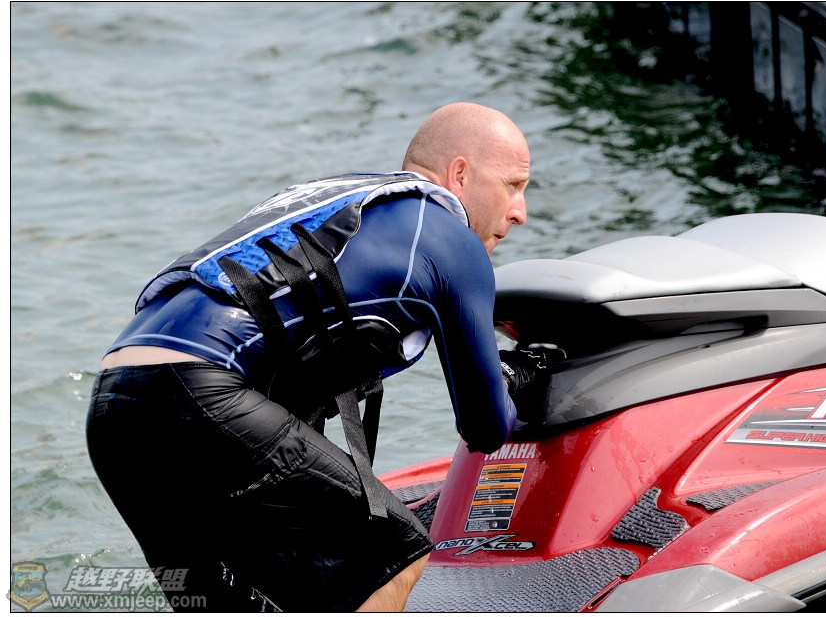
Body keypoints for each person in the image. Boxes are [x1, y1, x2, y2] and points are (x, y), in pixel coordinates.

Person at [85, 102, 541, 612]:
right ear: (459, 174)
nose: (519, 212)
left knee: (229, 601)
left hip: (114, 406)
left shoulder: (338, 197)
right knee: (390, 556)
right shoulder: (448, 237)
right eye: (512, 185)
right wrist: (518, 375)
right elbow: (485, 427)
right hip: (197, 392)